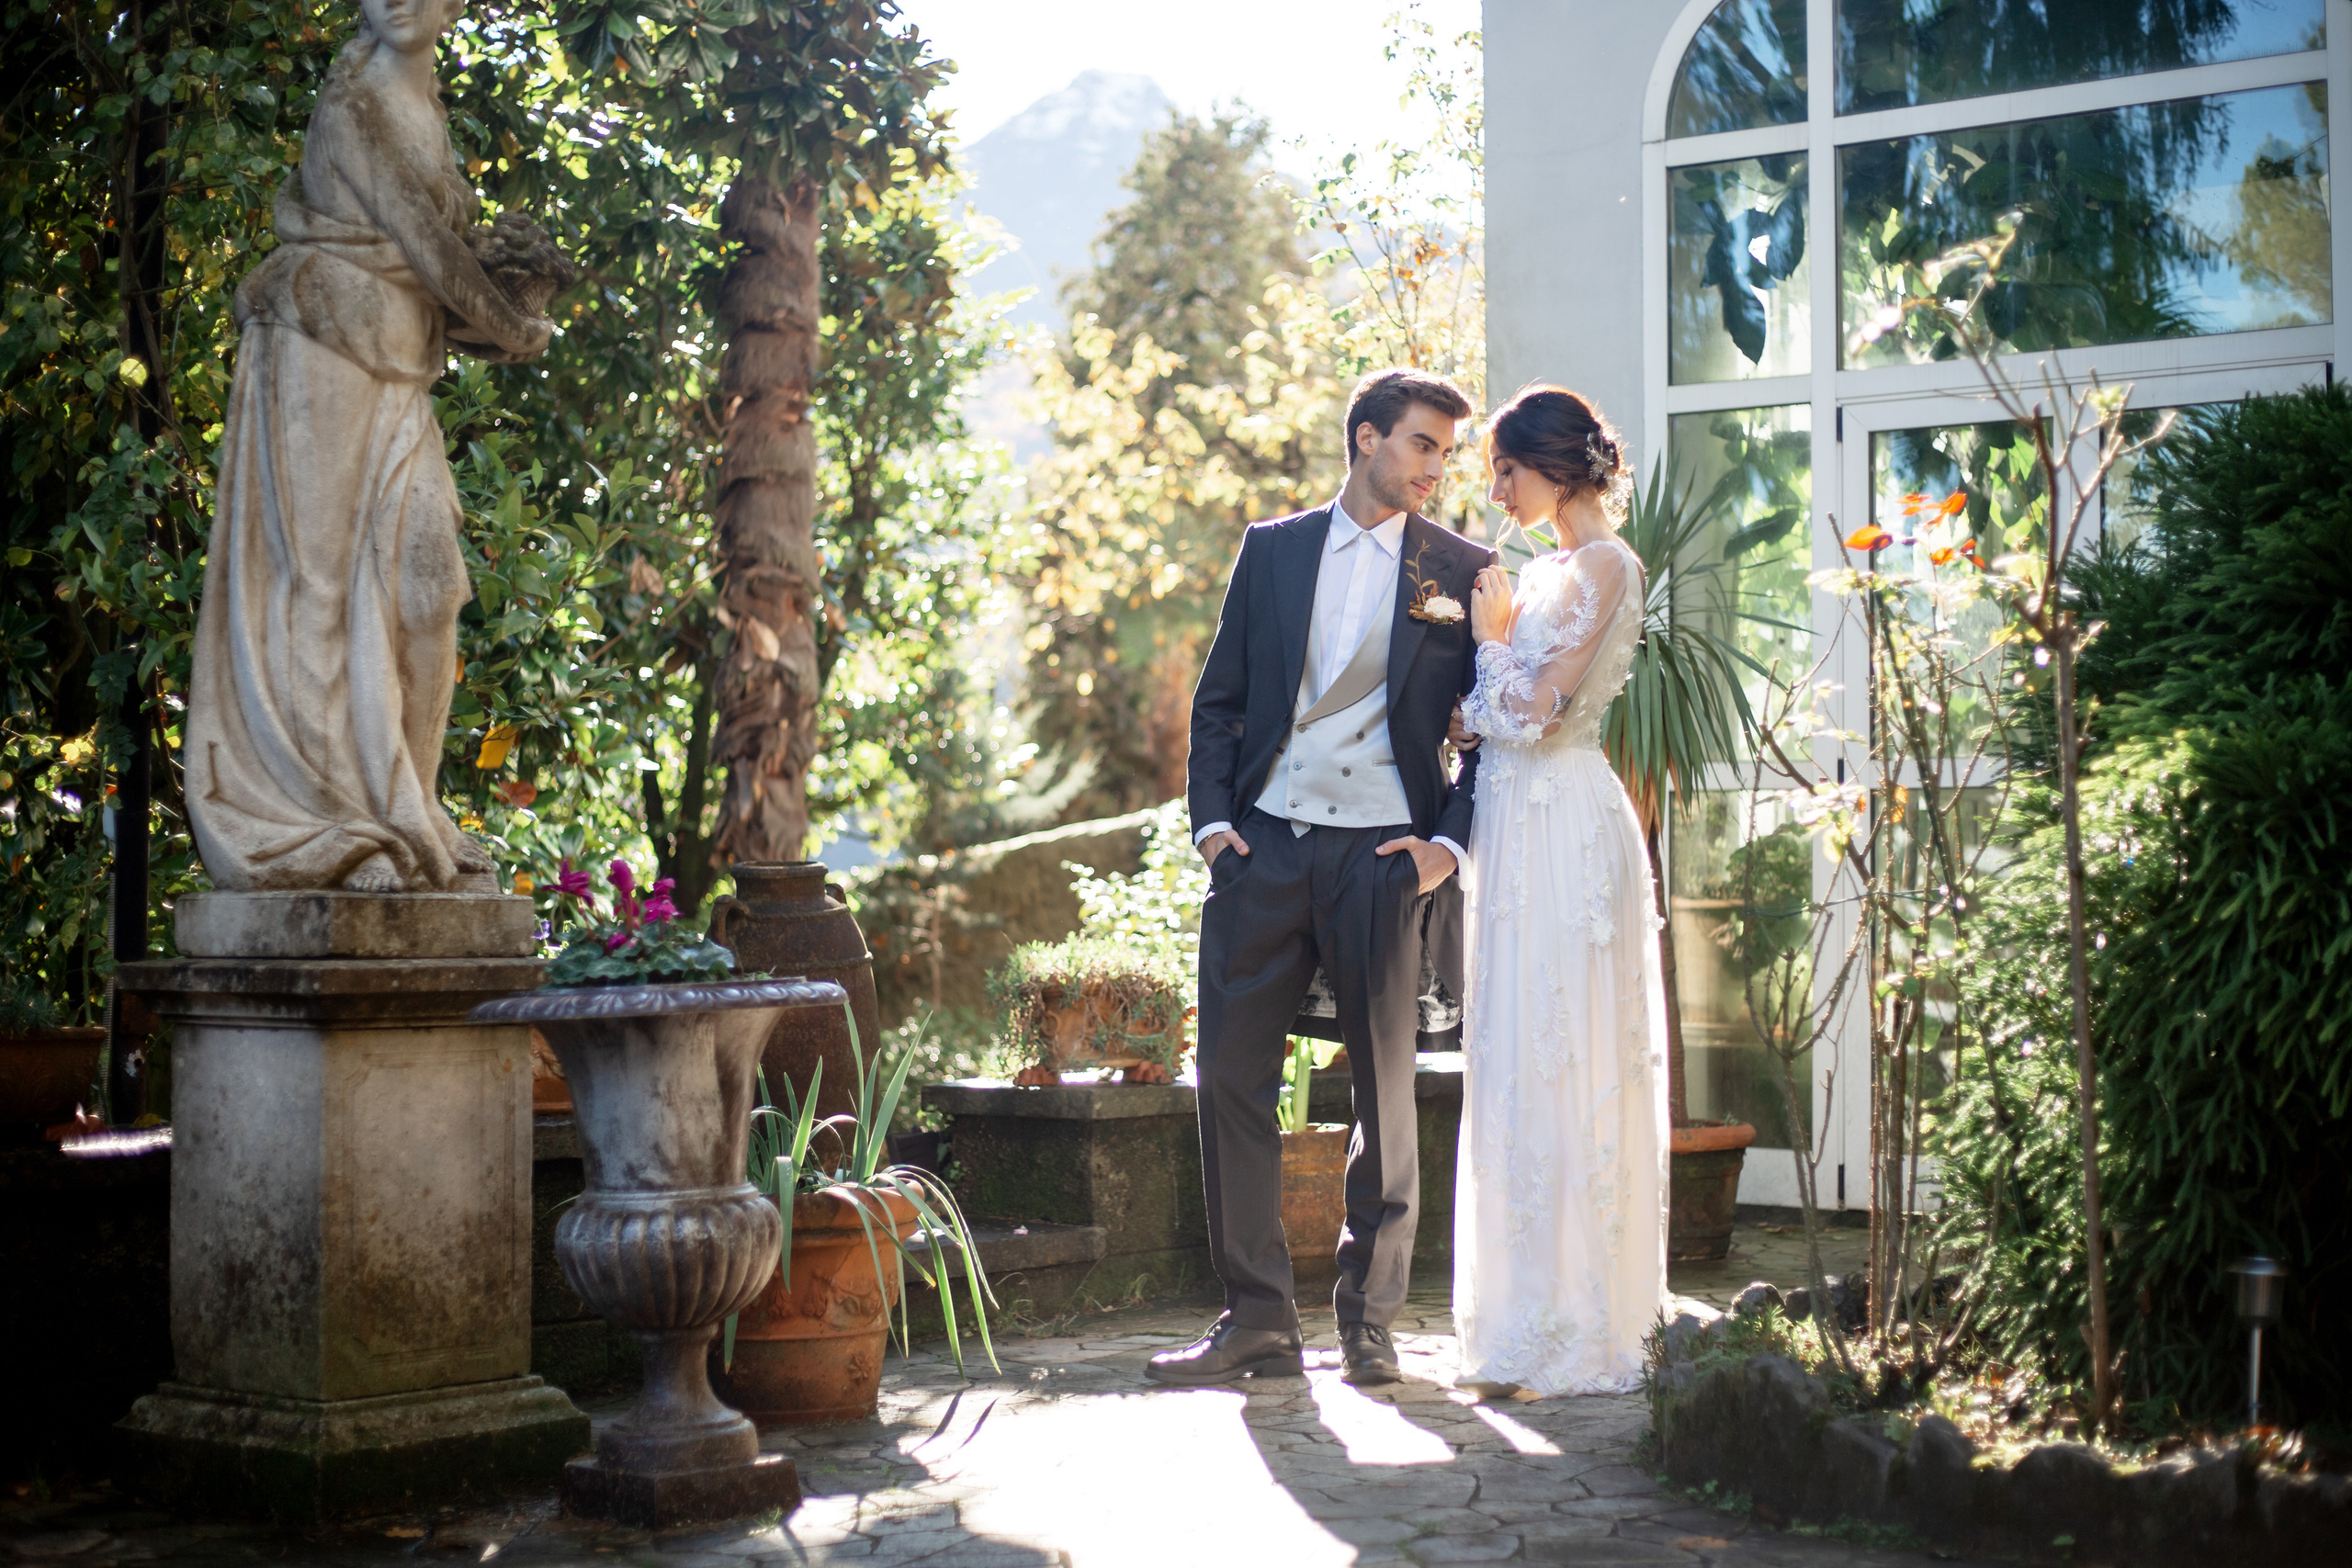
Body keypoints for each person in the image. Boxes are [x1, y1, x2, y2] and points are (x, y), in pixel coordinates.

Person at [1148, 368, 1492, 1389]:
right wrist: (1215, 827)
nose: (1435, 468)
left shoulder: (1462, 570)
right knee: (1230, 1080)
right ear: (1367, 437)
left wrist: (1446, 846)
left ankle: (1370, 1321)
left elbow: (1493, 735)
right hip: (1265, 849)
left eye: (1445, 453)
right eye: (1422, 444)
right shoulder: (1273, 549)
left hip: (1383, 857)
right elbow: (1220, 701)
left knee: (1385, 1094)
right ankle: (1257, 1320)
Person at [185, 0, 554, 892]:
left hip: (400, 369)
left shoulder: (428, 113)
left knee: (430, 585)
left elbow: (435, 281)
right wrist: (520, 329)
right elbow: (427, 251)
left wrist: (509, 306)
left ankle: (412, 805)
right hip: (321, 347)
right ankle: (337, 831)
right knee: (316, 586)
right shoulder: (350, 105)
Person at [1448, 384, 1670, 1398]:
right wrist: (1478, 695)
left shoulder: (1608, 566)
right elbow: (1489, 716)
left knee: (1566, 1050)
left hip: (1565, 829)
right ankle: (1519, 1315)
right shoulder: (1538, 574)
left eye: (1507, 469)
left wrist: (1492, 648)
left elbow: (1534, 712)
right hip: (1510, 830)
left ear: (1555, 465)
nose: (1497, 491)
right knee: (1513, 1056)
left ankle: (1582, 1323)